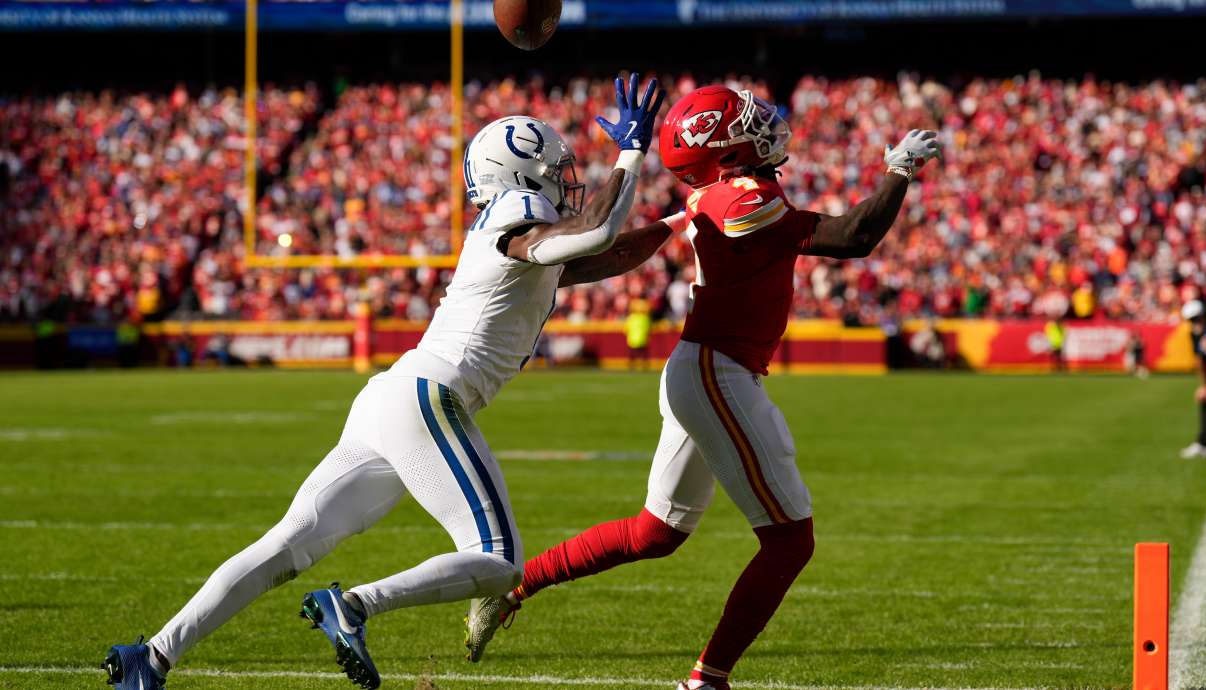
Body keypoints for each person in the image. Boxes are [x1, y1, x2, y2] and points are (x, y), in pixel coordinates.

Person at [100, 73, 668, 690]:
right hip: (430, 396)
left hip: (394, 400)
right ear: (519, 173)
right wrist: (631, 152)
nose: (565, 181)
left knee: (290, 542)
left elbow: (607, 254)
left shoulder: (523, 240)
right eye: (555, 169)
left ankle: (151, 657)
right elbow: (598, 231)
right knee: (502, 562)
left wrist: (691, 218)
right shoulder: (518, 211)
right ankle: (357, 605)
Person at [464, 84, 941, 689]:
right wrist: (897, 173)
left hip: (703, 368)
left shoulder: (714, 198)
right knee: (791, 542)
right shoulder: (742, 196)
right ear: (721, 150)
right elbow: (851, 237)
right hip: (718, 369)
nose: (763, 125)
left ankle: (516, 587)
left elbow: (632, 247)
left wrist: (565, 266)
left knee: (655, 533)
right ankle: (706, 680)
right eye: (746, 122)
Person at [1180, 300, 1206, 459]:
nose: (1195, 323)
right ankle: (1204, 443)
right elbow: (1200, 361)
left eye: (1197, 318)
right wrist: (1205, 385)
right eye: (1191, 320)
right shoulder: (1195, 334)